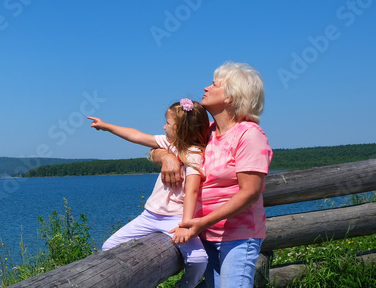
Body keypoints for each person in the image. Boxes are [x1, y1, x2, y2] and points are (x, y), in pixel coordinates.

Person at [155, 62, 271, 288]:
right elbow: (158, 145)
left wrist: (201, 223)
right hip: (206, 235)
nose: (206, 88)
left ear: (231, 96)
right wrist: (167, 158)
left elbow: (249, 192)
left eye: (215, 84)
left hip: (238, 236)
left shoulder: (249, 135)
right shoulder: (205, 132)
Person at [88, 98, 210, 288]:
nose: (163, 127)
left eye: (167, 123)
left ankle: (186, 285)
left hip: (176, 220)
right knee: (109, 247)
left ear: (180, 128)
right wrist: (106, 126)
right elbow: (136, 135)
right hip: (150, 216)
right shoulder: (169, 143)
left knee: (198, 259)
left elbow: (192, 190)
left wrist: (186, 224)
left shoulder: (194, 153)